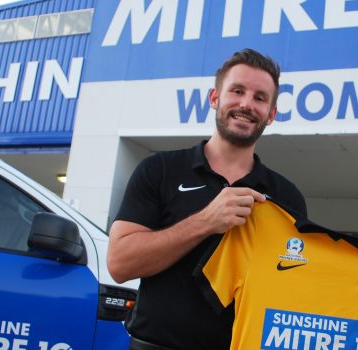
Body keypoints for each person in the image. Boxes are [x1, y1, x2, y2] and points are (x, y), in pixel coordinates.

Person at [107, 48, 307, 350]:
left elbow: (293, 287)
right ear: (215, 98)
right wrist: (206, 221)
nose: (246, 104)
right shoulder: (159, 170)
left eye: (260, 98)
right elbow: (120, 264)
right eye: (237, 91)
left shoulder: (285, 195)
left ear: (272, 114)